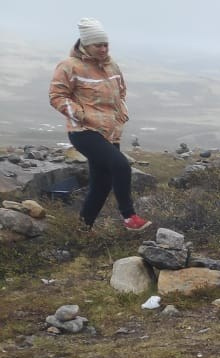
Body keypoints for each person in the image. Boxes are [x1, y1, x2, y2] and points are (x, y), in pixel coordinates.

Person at [47, 18, 151, 232]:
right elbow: (56, 96)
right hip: (84, 131)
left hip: (110, 133)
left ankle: (82, 229)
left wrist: (122, 112)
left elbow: (120, 92)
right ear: (86, 45)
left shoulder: (112, 65)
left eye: (106, 45)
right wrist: (82, 114)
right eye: (98, 45)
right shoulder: (69, 66)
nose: (103, 49)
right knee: (121, 166)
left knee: (101, 185)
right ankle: (129, 216)